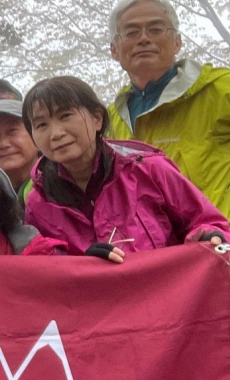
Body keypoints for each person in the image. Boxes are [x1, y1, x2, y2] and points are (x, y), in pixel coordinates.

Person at [22, 76, 228, 256]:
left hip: (170, 296)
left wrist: (210, 236)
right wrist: (80, 262)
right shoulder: (38, 202)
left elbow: (209, 223)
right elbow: (46, 266)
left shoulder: (149, 169)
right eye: (41, 125)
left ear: (97, 118)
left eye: (65, 116)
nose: (56, 133)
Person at [106, 0, 230, 217]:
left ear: (177, 42)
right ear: (114, 50)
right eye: (131, 32)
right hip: (153, 249)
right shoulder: (109, 120)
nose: (144, 39)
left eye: (155, 29)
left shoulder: (220, 89)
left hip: (219, 244)